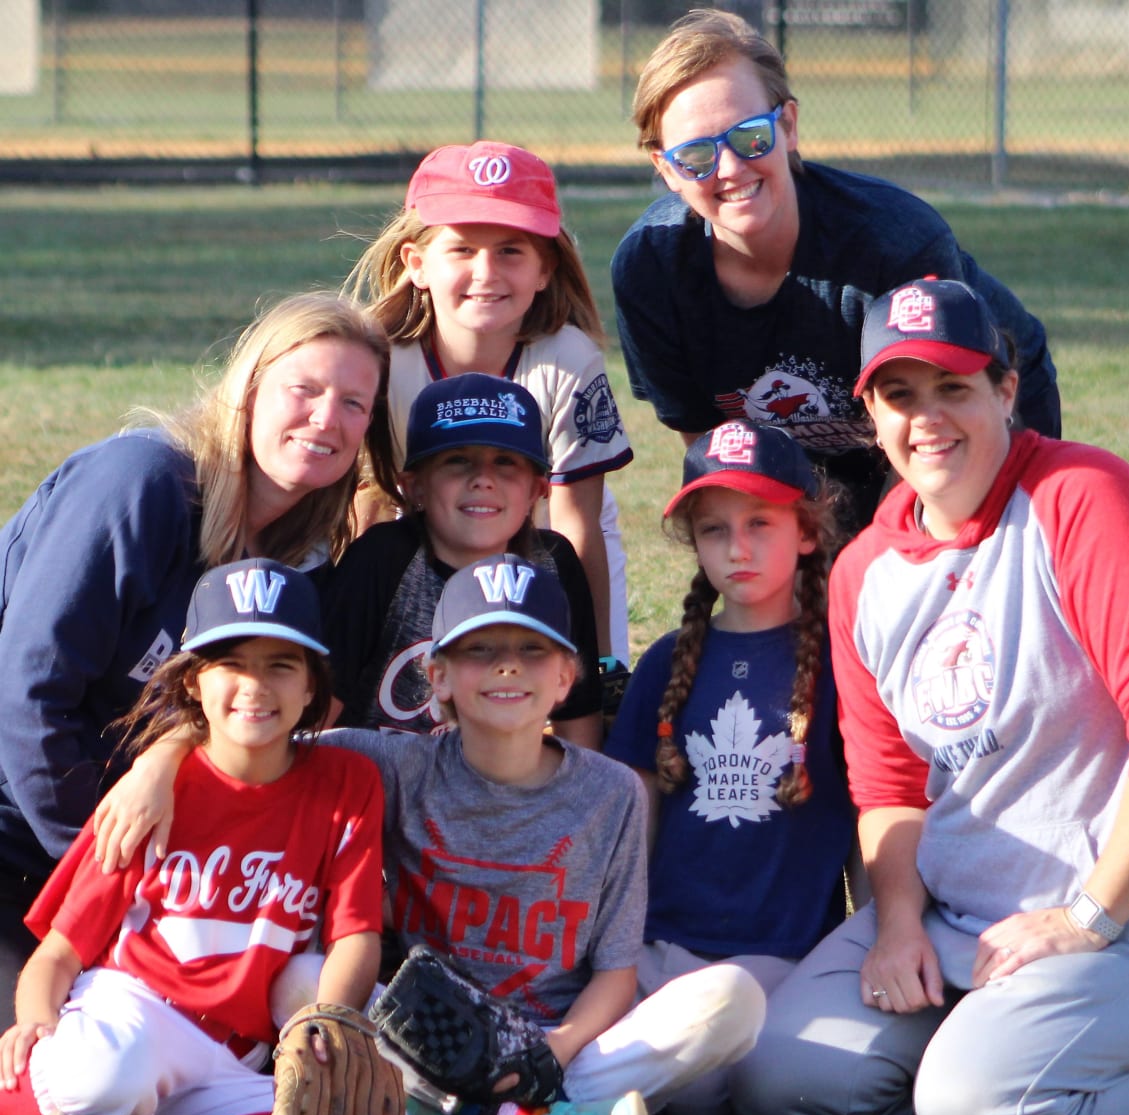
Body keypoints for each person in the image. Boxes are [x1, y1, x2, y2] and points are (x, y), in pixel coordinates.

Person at [727, 276, 1129, 1115]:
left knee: (974, 1109)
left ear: (1006, 392)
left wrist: (1089, 916)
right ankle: (1003, 1049)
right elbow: (889, 786)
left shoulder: (1082, 499)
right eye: (900, 395)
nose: (928, 418)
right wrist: (899, 922)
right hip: (962, 923)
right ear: (868, 412)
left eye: (954, 387)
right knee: (783, 1076)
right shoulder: (866, 568)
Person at [98, 555, 768, 1115]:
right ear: (437, 675)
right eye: (480, 650)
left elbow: (616, 976)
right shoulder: (394, 762)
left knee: (733, 998)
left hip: (554, 1050)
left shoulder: (612, 791)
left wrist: (554, 1052)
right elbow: (264, 724)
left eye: (532, 651)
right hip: (425, 1038)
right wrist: (164, 755)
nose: (508, 667)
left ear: (567, 676)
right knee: (303, 980)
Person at [0, 291, 398, 1029]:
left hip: (115, 845)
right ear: (248, 389)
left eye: (353, 403)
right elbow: (26, 696)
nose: (326, 419)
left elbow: (229, 711)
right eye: (303, 390)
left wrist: (161, 767)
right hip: (28, 828)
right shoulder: (142, 484)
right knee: (36, 1052)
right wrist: (112, 886)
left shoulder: (294, 563)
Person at [0, 559, 385, 1115]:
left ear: (313, 687)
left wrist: (327, 1025)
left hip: (238, 1053)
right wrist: (36, 1022)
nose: (255, 686)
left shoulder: (347, 783)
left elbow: (355, 935)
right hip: (135, 1013)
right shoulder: (153, 792)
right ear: (193, 684)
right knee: (99, 1078)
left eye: (281, 665)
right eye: (231, 663)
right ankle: (61, 1100)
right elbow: (59, 953)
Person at [611, 7, 1060, 534]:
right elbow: (717, 450)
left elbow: (936, 423)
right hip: (833, 447)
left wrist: (874, 562)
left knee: (956, 567)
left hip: (963, 410)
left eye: (751, 137)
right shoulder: (649, 271)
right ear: (666, 169)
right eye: (695, 156)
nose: (730, 168)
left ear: (789, 126)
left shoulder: (892, 244)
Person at [604, 419, 855, 1115]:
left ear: (807, 531)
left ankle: (603, 1087)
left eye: (760, 524)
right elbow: (636, 818)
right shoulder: (667, 662)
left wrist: (874, 942)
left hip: (777, 957)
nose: (736, 548)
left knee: (717, 1089)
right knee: (666, 1066)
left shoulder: (841, 664)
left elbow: (873, 822)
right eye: (714, 530)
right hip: (662, 948)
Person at [346, 138, 634, 665]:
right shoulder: (380, 354)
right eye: (461, 249)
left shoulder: (567, 359)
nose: (486, 272)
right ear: (417, 263)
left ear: (544, 268)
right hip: (417, 524)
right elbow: (371, 499)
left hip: (542, 530)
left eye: (510, 250)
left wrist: (595, 660)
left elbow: (574, 526)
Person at [322, 371, 603, 748]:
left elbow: (576, 721)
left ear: (538, 489)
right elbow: (319, 713)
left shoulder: (552, 566)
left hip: (499, 790)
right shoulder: (384, 558)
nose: (483, 479)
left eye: (505, 461)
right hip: (377, 790)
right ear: (415, 486)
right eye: (457, 460)